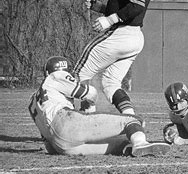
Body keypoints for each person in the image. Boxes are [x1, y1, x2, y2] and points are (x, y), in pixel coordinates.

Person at [74, 0, 154, 116]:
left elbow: (136, 6)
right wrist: (100, 8)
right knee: (111, 83)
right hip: (134, 37)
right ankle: (130, 119)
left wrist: (109, 20)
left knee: (79, 74)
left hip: (120, 34)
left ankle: (86, 115)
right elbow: (126, 7)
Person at [29, 56, 170, 156]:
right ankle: (141, 144)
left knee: (119, 144)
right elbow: (90, 93)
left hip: (60, 146)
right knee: (132, 120)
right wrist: (90, 108)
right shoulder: (56, 76)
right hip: (66, 122)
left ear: (46, 71)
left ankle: (131, 148)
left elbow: (48, 146)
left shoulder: (33, 101)